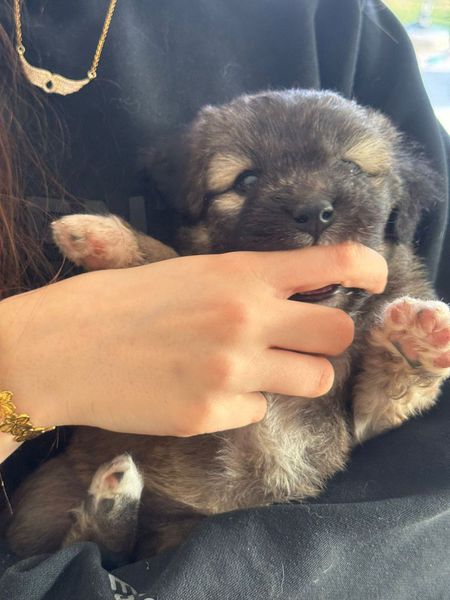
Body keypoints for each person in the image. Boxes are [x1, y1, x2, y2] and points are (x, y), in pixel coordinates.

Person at [0, 1, 448, 599]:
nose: (312, 204)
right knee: (40, 516)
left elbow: (414, 455)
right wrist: (17, 375)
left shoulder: (331, 21)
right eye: (247, 180)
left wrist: (406, 365)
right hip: (59, 525)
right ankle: (103, 532)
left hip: (284, 551)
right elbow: (186, 287)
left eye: (352, 167)